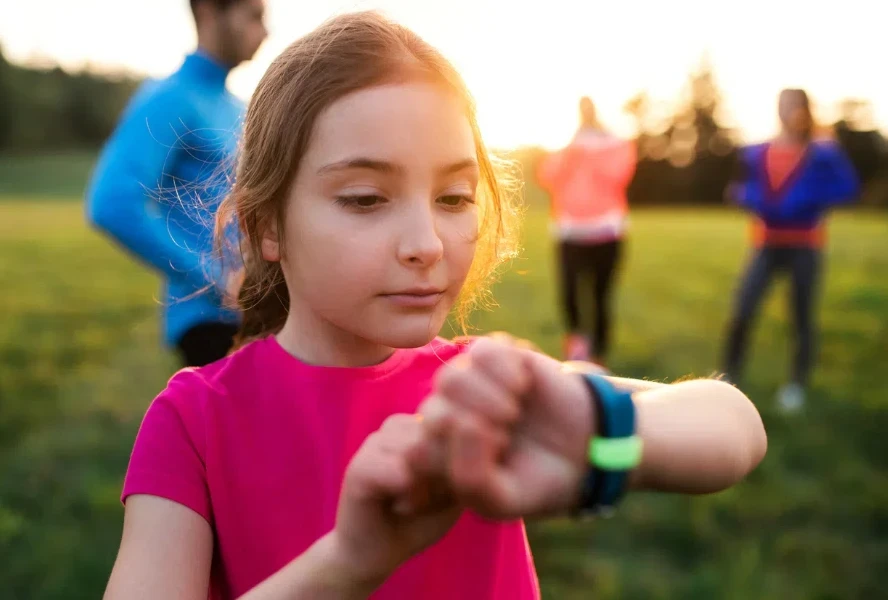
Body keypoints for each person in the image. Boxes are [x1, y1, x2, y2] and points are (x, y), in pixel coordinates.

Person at [103, 12, 768, 600]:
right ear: (267, 225)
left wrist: (600, 437)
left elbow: (736, 425)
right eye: (365, 198)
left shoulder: (478, 391)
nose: (427, 244)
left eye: (454, 197)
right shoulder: (192, 424)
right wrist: (349, 565)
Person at [85, 0, 268, 367]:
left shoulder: (235, 105)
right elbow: (113, 203)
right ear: (207, 13)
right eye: (253, 16)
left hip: (255, 318)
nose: (265, 31)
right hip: (209, 326)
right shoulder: (170, 99)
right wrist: (216, 279)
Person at [721, 88, 860, 412]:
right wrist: (747, 197)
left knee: (801, 317)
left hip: (804, 244)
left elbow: (848, 188)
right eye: (782, 104)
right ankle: (728, 377)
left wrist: (807, 198)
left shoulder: (822, 151)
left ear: (804, 110)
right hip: (766, 242)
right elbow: (741, 187)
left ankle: (796, 384)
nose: (787, 111)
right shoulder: (758, 151)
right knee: (742, 310)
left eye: (794, 105)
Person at [536, 97, 637, 366]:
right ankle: (577, 348)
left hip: (608, 232)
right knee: (569, 295)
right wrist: (574, 149)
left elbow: (618, 176)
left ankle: (599, 356)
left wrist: (591, 151)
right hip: (570, 232)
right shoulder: (569, 145)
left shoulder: (614, 144)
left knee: (601, 298)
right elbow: (547, 175)